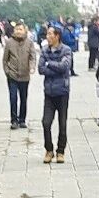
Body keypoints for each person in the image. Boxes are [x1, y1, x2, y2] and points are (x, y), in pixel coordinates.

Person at [38, 26, 72, 163]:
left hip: (62, 92)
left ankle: (60, 151)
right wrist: (55, 67)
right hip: (49, 92)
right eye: (47, 34)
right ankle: (49, 149)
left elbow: (65, 67)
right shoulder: (44, 50)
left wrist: (49, 63)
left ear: (57, 36)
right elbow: (41, 69)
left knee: (62, 123)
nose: (47, 36)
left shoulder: (66, 50)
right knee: (46, 122)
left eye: (50, 34)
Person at [2, 20, 37, 128]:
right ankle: (14, 120)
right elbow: (5, 60)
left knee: (23, 98)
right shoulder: (9, 43)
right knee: (13, 98)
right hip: (12, 75)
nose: (18, 31)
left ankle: (22, 120)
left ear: (24, 31)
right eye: (17, 29)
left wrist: (31, 67)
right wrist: (7, 72)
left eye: (20, 29)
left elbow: (32, 57)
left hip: (25, 76)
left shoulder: (29, 42)